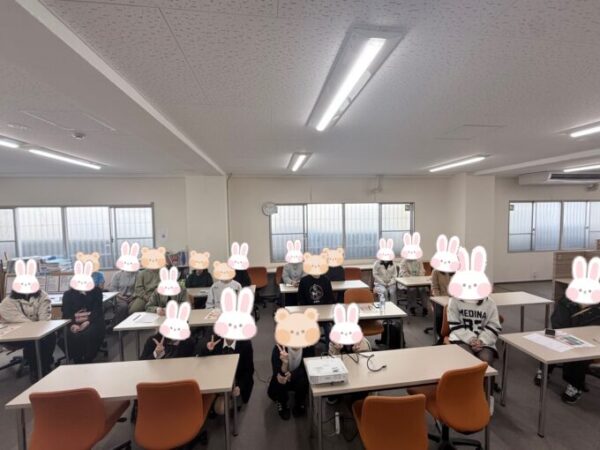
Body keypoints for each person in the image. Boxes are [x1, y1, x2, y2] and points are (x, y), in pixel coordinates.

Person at [533, 295, 600, 403]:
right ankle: (544, 369)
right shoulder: (567, 300)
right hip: (563, 333)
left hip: (588, 339)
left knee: (582, 351)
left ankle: (575, 384)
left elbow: (593, 330)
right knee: (548, 335)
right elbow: (557, 323)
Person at [0, 281, 55, 380]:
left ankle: (45, 365)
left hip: (38, 331)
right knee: (33, 340)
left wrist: (37, 328)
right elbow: (19, 320)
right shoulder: (7, 302)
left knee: (50, 335)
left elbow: (44, 320)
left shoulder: (43, 296)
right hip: (17, 335)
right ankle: (35, 370)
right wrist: (35, 327)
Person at [197, 334, 254, 414]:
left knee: (220, 408)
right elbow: (201, 358)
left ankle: (229, 402)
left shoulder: (245, 343)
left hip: (236, 381)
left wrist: (240, 386)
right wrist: (207, 349)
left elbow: (249, 370)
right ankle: (218, 400)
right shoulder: (216, 340)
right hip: (216, 379)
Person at [447, 296, 501, 365]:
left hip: (484, 340)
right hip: (460, 338)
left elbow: (494, 326)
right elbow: (454, 324)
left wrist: (481, 341)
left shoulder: (490, 302)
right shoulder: (454, 300)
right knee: (468, 360)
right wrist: (471, 339)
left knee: (485, 360)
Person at [268, 343, 314, 420]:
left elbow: (308, 367)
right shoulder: (279, 348)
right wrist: (285, 364)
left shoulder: (308, 346)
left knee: (303, 379)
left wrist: (293, 374)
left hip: (298, 375)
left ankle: (299, 402)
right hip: (284, 376)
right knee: (280, 381)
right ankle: (282, 403)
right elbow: (277, 373)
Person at [62, 285, 105, 364]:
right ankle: (76, 359)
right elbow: (66, 313)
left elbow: (97, 311)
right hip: (73, 321)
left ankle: (88, 359)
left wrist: (88, 322)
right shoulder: (68, 294)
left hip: (92, 320)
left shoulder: (96, 291)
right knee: (68, 334)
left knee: (90, 333)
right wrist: (72, 325)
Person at [430, 268, 454, 337]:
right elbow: (434, 288)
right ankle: (440, 335)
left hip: (454, 298)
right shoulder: (436, 271)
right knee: (440, 313)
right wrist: (440, 299)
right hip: (440, 298)